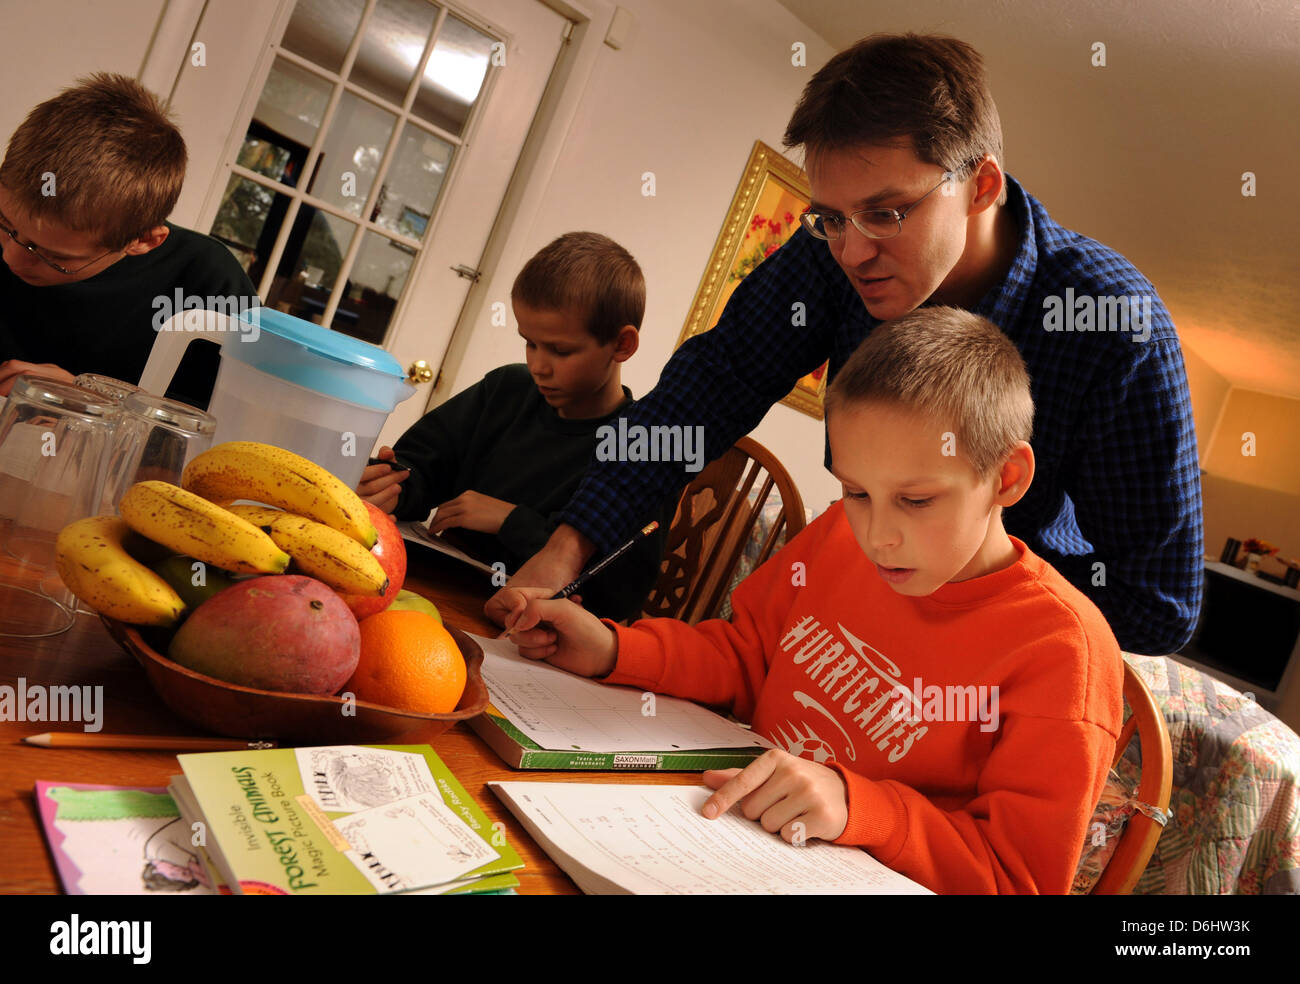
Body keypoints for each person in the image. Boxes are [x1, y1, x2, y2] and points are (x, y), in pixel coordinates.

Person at [489, 33, 1203, 656]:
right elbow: (700, 396)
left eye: (887, 212)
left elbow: (1158, 601)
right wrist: (566, 549)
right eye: (831, 216)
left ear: (980, 185)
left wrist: (952, 608)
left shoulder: (1113, 321)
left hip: (1007, 646)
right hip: (845, 622)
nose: (853, 251)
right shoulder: (828, 252)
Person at [503, 307, 1125, 894]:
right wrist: (616, 649)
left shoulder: (1063, 649)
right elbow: (749, 656)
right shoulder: (837, 537)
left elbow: (1016, 878)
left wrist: (861, 807)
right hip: (726, 846)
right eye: (856, 491)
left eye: (916, 500)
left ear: (1006, 479)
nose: (877, 536)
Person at [358, 231, 672, 622]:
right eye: (529, 343)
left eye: (560, 350)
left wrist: (511, 521)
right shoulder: (506, 388)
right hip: (426, 589)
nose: (539, 365)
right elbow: (423, 468)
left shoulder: (643, 448)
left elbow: (615, 592)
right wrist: (393, 485)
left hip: (523, 627)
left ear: (622, 345)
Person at [0, 73, 258, 408]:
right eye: (6, 226)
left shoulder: (206, 283)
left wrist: (92, 398)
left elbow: (238, 421)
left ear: (143, 241)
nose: (12, 258)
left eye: (51, 256)